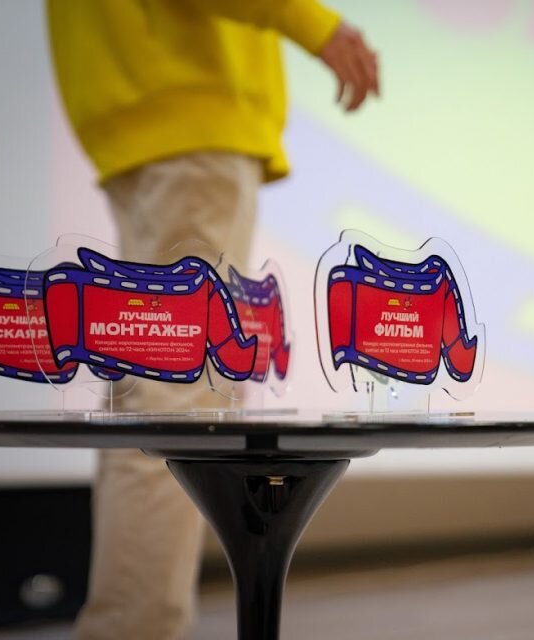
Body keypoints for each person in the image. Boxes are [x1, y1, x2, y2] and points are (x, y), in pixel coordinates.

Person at [46, 2, 379, 638]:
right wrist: (316, 25)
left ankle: (123, 623)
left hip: (139, 110)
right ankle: (135, 629)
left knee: (148, 403)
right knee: (179, 407)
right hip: (191, 109)